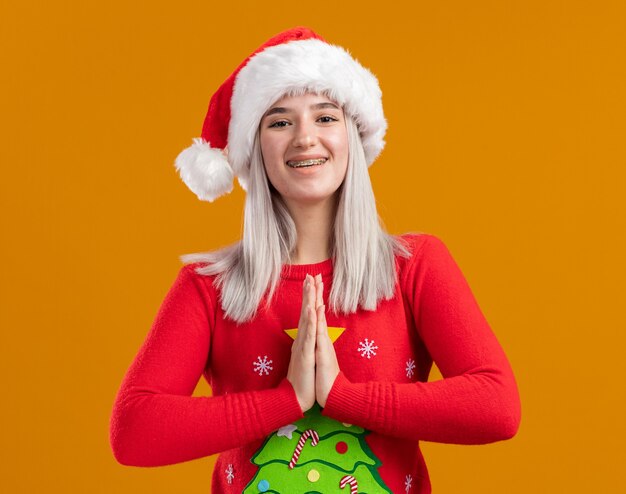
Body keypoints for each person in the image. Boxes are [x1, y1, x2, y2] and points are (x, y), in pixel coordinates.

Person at [109, 27, 521, 493]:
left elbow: (497, 407)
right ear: (255, 149)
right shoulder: (208, 287)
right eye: (280, 122)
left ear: (353, 135)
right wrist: (287, 400)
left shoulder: (415, 265)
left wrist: (343, 397)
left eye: (325, 117)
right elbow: (133, 433)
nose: (305, 138)